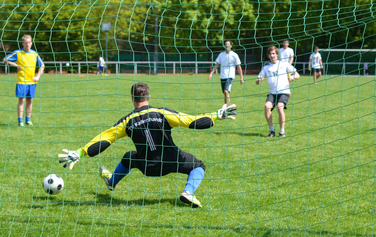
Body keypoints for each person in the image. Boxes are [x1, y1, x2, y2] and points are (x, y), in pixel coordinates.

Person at [58, 82, 237, 208]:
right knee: (199, 166)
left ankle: (112, 182)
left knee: (129, 157)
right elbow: (192, 122)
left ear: (132, 98)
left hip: (147, 167)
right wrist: (216, 115)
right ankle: (188, 192)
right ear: (148, 96)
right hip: (171, 161)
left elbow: (104, 140)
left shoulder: (126, 121)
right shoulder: (162, 113)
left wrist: (80, 153)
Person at [256, 46, 300, 138]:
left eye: (274, 54)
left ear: (277, 55)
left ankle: (282, 132)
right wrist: (259, 80)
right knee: (266, 106)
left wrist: (292, 77)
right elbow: (259, 77)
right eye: (270, 54)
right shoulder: (266, 67)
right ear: (268, 55)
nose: (272, 55)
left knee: (280, 107)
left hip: (284, 91)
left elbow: (297, 74)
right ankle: (272, 130)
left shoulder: (284, 64)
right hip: (273, 93)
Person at [3, 35, 44, 126]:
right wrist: (16, 65)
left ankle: (28, 120)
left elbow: (42, 65)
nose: (27, 44)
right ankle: (20, 121)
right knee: (22, 100)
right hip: (21, 81)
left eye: (29, 42)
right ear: (22, 43)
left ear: (31, 43)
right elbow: (5, 59)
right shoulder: (18, 53)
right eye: (25, 42)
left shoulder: (34, 54)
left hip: (32, 81)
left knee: (30, 100)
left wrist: (37, 77)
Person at [208, 40, 244, 105]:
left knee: (226, 91)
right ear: (224, 46)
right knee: (225, 93)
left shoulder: (234, 55)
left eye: (228, 44)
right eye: (226, 44)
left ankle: (228, 109)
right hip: (222, 76)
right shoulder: (221, 54)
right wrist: (211, 73)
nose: (227, 45)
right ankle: (225, 109)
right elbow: (217, 64)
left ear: (231, 46)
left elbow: (239, 67)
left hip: (230, 76)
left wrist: (241, 77)